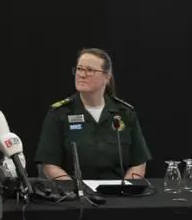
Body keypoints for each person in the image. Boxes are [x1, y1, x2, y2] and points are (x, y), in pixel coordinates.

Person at [35, 48, 151, 180]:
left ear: (107, 77)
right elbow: (49, 164)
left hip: (119, 195)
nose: (82, 75)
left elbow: (139, 162)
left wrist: (126, 188)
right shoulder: (59, 113)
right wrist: (77, 190)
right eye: (79, 69)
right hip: (75, 196)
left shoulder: (124, 113)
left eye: (90, 70)